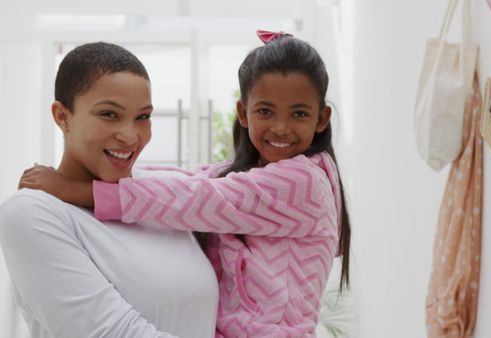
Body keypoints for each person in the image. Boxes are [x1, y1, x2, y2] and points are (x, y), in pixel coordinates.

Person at [21, 31, 351, 338]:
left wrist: (81, 191)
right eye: (266, 111)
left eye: (299, 114)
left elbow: (200, 197)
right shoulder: (258, 175)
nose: (280, 127)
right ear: (244, 113)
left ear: (321, 119)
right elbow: (194, 180)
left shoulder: (304, 182)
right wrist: (118, 171)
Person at [0, 42, 219, 338]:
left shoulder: (158, 197)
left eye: (143, 117)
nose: (130, 136)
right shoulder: (32, 214)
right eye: (109, 115)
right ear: (62, 116)